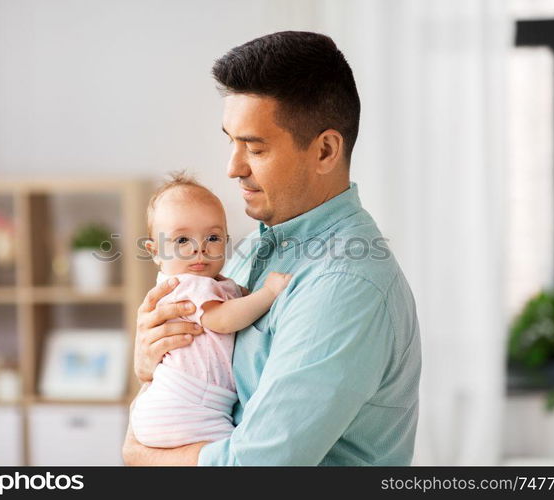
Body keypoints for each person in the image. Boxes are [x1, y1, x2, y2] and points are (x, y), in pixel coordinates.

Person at [123, 30, 421, 466]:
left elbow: (259, 466)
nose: (232, 168)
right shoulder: (248, 251)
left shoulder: (343, 285)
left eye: (255, 148)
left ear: (324, 151)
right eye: (231, 140)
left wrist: (140, 452)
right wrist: (150, 365)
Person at [129, 172, 291, 448]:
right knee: (236, 455)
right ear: (154, 251)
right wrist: (269, 294)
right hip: (186, 404)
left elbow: (235, 302)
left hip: (187, 404)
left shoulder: (214, 284)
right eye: (182, 240)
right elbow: (222, 319)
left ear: (226, 241)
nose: (199, 249)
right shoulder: (188, 285)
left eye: (212, 237)